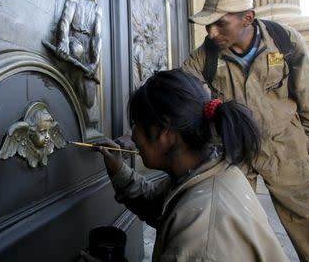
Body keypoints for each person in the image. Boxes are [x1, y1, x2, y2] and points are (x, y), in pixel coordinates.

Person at [182, 0, 309, 262]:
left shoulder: (285, 40)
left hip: (285, 146)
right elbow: (181, 94)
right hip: (235, 150)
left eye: (220, 24)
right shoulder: (203, 58)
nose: (211, 33)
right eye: (208, 25)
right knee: (234, 224)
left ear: (248, 18)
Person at [85, 69, 288, 261]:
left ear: (163, 131)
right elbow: (157, 205)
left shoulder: (203, 241)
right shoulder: (206, 171)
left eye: (135, 125)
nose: (134, 136)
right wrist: (118, 169)